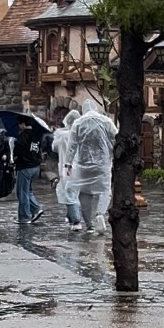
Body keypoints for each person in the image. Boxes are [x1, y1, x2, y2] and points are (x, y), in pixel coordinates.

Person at [66, 100, 117, 234]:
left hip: (83, 164)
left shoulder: (78, 123)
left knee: (84, 193)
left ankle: (89, 224)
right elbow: (116, 138)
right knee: (105, 190)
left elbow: (71, 146)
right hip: (103, 163)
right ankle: (100, 214)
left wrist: (68, 163)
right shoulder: (106, 121)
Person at [52, 110, 84, 230]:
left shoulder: (62, 135)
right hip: (79, 168)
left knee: (69, 193)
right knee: (74, 193)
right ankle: (71, 217)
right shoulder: (81, 134)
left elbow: (54, 148)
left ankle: (76, 220)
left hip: (66, 168)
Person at [13, 118, 45, 223]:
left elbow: (18, 151)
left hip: (25, 166)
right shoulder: (37, 135)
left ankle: (24, 216)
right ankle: (36, 209)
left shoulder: (23, 137)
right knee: (28, 191)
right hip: (35, 166)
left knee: (22, 192)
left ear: (23, 124)